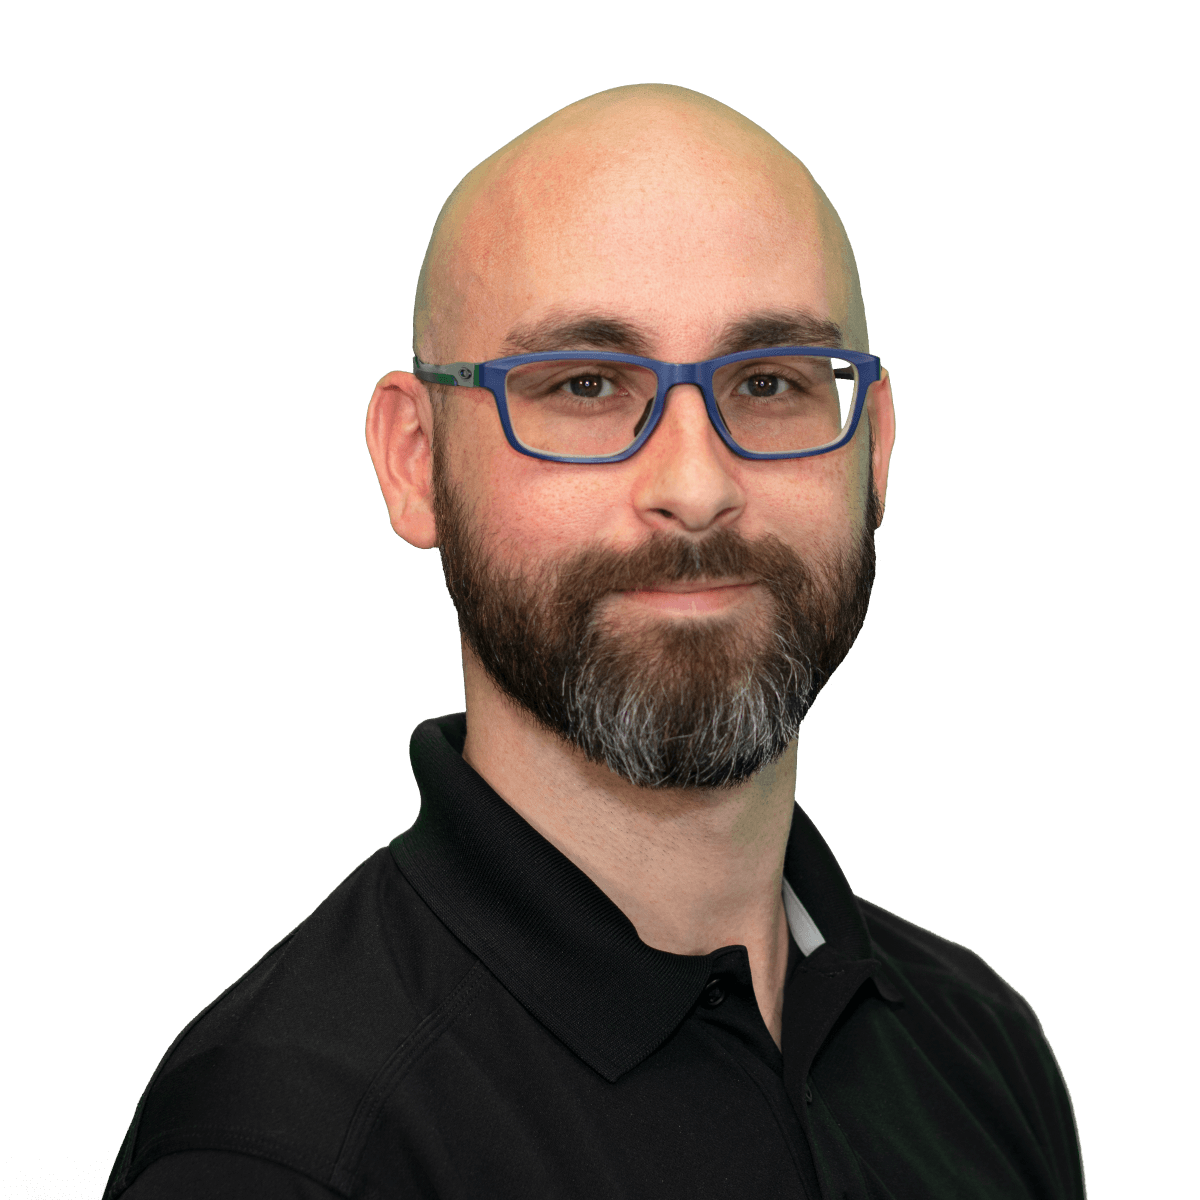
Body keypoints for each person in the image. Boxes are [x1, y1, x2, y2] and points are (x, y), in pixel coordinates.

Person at [104, 84, 1085, 1199]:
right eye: (582, 385)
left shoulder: (981, 1048)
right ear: (416, 461)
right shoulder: (285, 1148)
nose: (696, 487)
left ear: (878, 451)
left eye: (769, 383)